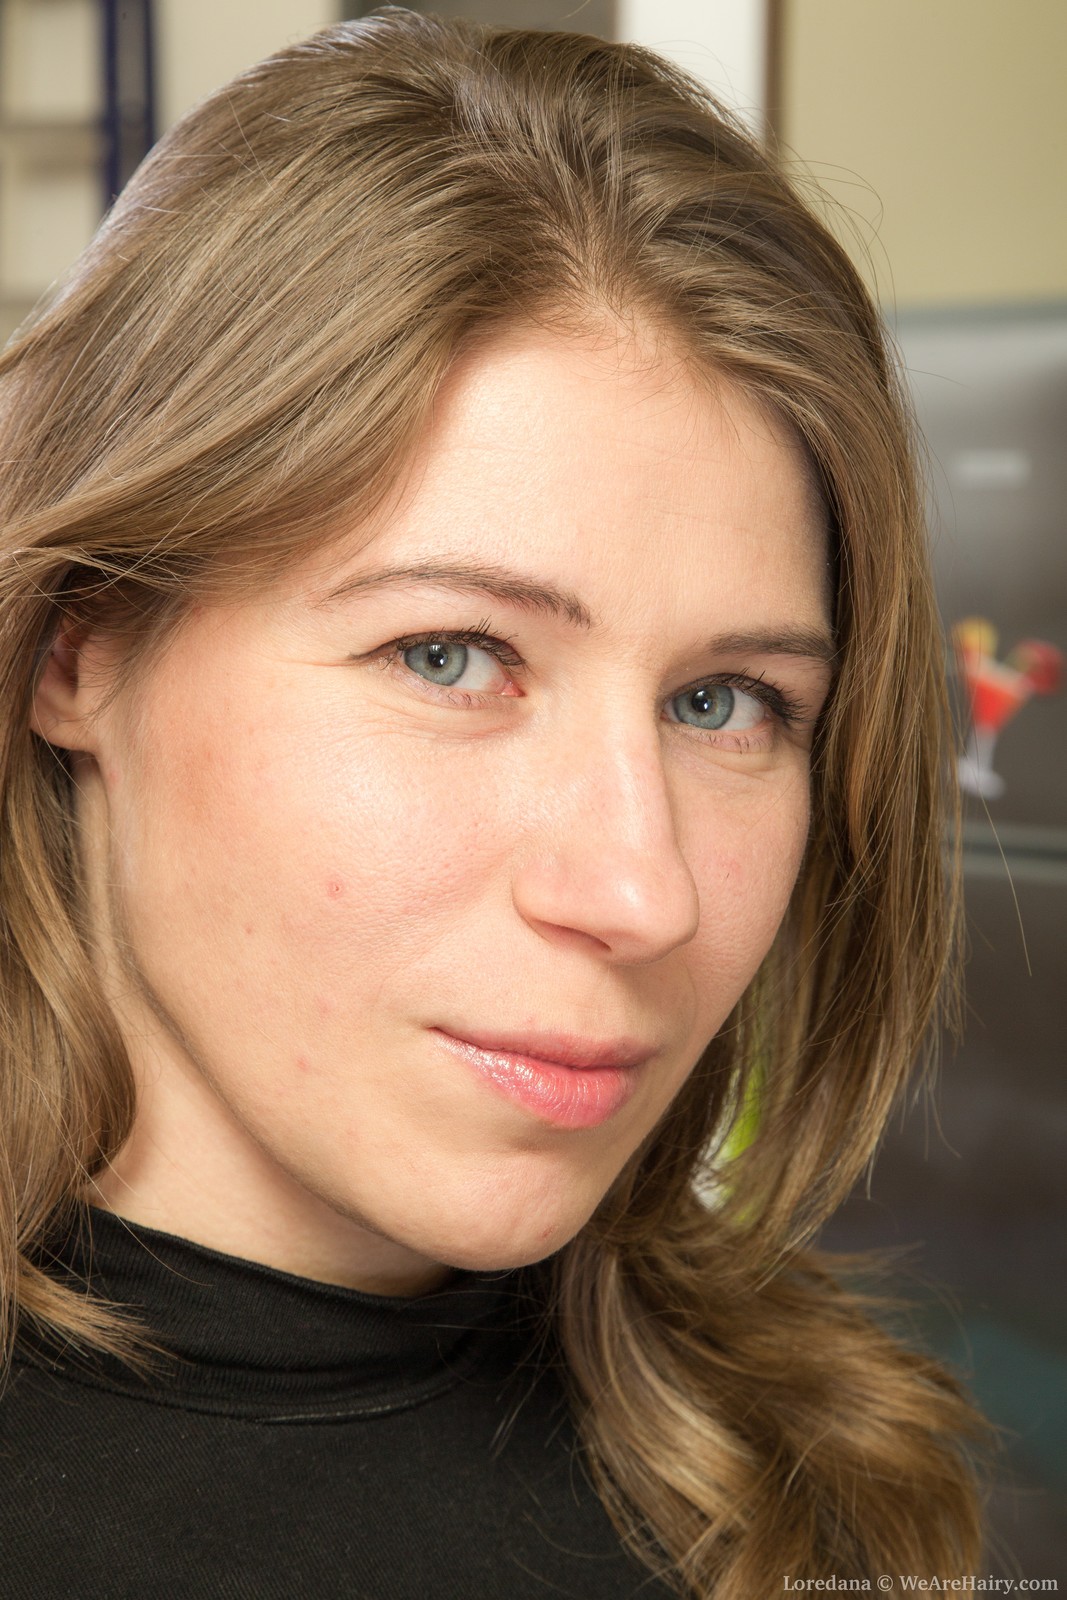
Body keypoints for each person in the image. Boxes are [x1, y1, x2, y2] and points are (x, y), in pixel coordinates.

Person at [0, 11, 984, 1597]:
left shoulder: (827, 1480)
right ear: (79, 647)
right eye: (450, 656)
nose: (643, 890)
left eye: (724, 703)